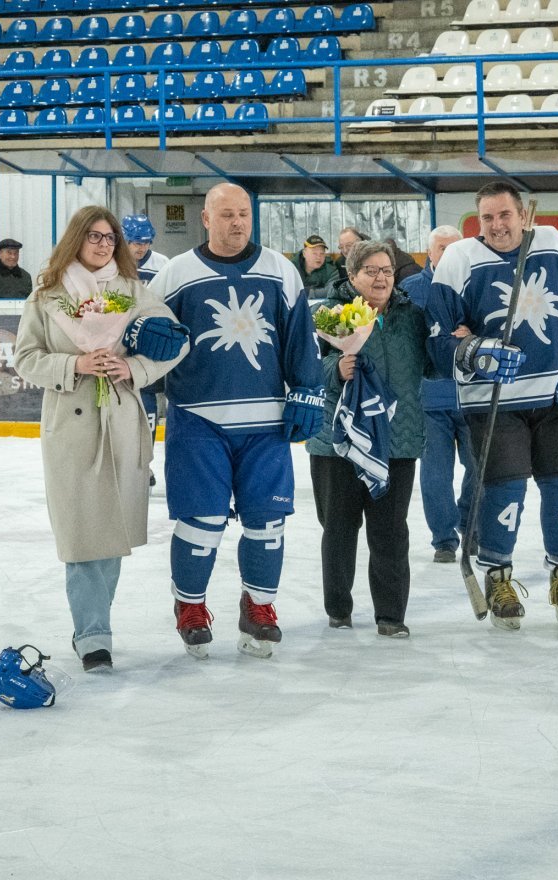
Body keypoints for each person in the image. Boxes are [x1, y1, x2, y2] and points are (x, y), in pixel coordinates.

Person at [427, 182, 558, 630]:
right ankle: (498, 579)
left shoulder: (555, 246)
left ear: (523, 215)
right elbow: (437, 336)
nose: (496, 226)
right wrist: (472, 350)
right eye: (487, 218)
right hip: (492, 402)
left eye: (504, 215)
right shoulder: (459, 260)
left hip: (556, 397)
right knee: (505, 490)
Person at [147, 183, 324, 661]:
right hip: (197, 421)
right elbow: (148, 335)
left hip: (266, 422)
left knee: (268, 521)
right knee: (201, 522)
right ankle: (190, 606)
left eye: (244, 213)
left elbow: (300, 337)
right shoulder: (176, 274)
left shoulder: (280, 270)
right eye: (226, 214)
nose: (237, 222)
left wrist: (308, 389)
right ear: (206, 219)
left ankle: (258, 606)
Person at [14, 207, 189, 672]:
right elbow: (26, 358)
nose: (103, 244)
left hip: (122, 422)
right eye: (94, 236)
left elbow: (178, 341)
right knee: (82, 534)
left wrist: (134, 368)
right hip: (71, 428)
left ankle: (95, 626)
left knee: (110, 534)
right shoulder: (46, 293)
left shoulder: (132, 291)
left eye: (110, 238)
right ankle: (92, 635)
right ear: (76, 239)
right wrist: (74, 364)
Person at [307, 240, 428, 637]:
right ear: (352, 275)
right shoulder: (330, 314)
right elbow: (307, 368)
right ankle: (338, 609)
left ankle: (391, 615)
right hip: (338, 441)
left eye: (387, 271)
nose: (381, 278)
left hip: (396, 438)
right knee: (339, 528)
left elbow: (433, 364)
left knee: (390, 530)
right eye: (371, 271)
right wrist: (335, 369)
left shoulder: (412, 316)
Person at [401, 225, 475, 563]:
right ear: (429, 252)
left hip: (474, 395)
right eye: (441, 247)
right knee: (435, 473)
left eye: (454, 247)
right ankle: (444, 539)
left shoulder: (477, 283)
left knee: (480, 467)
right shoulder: (411, 289)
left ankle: (471, 526)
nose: (447, 254)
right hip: (429, 397)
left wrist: (475, 332)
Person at [122, 214, 170, 447]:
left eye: (146, 242)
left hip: (150, 340)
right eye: (136, 242)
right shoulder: (112, 261)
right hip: (120, 341)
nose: (141, 248)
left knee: (148, 394)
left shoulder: (162, 264)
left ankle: (146, 454)